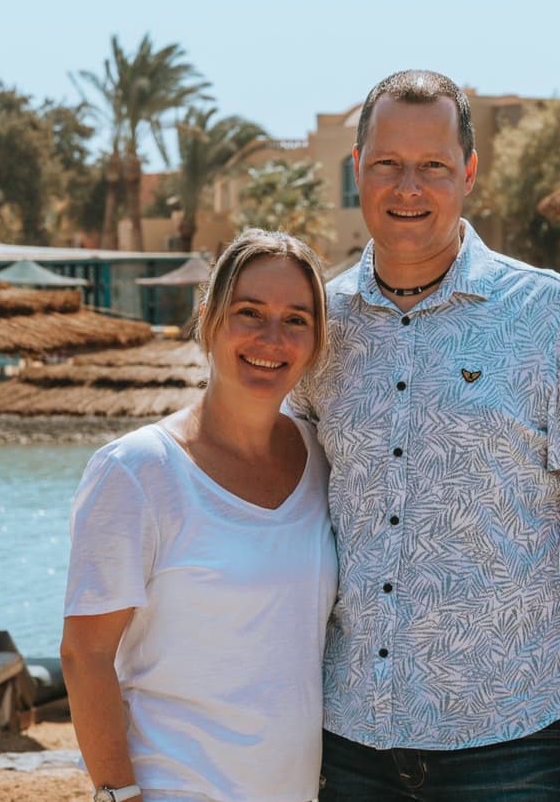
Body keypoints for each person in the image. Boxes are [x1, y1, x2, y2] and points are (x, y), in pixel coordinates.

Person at [291, 70, 560, 801]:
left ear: (470, 174)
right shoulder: (320, 326)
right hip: (349, 733)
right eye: (387, 164)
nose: (407, 188)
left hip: (510, 740)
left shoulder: (549, 314)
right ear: (358, 168)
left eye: (434, 167)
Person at [61, 229, 337, 802]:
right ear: (208, 319)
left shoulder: (323, 460)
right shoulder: (136, 471)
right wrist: (118, 795)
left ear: (316, 340)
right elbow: (85, 656)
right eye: (250, 312)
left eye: (296, 319)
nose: (271, 337)